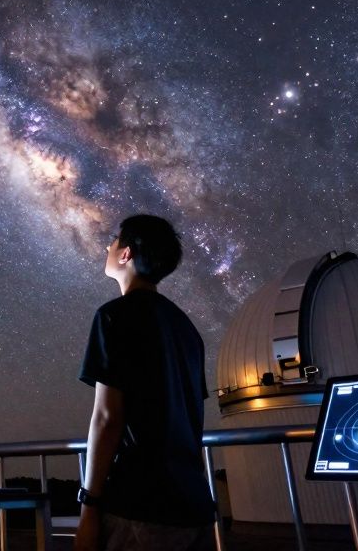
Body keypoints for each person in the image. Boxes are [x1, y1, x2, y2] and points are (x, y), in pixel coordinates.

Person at [74, 214, 215, 551]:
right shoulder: (187, 329)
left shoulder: (114, 316)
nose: (108, 246)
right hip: (193, 503)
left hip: (141, 505)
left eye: (114, 240)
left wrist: (89, 507)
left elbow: (107, 418)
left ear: (126, 254)